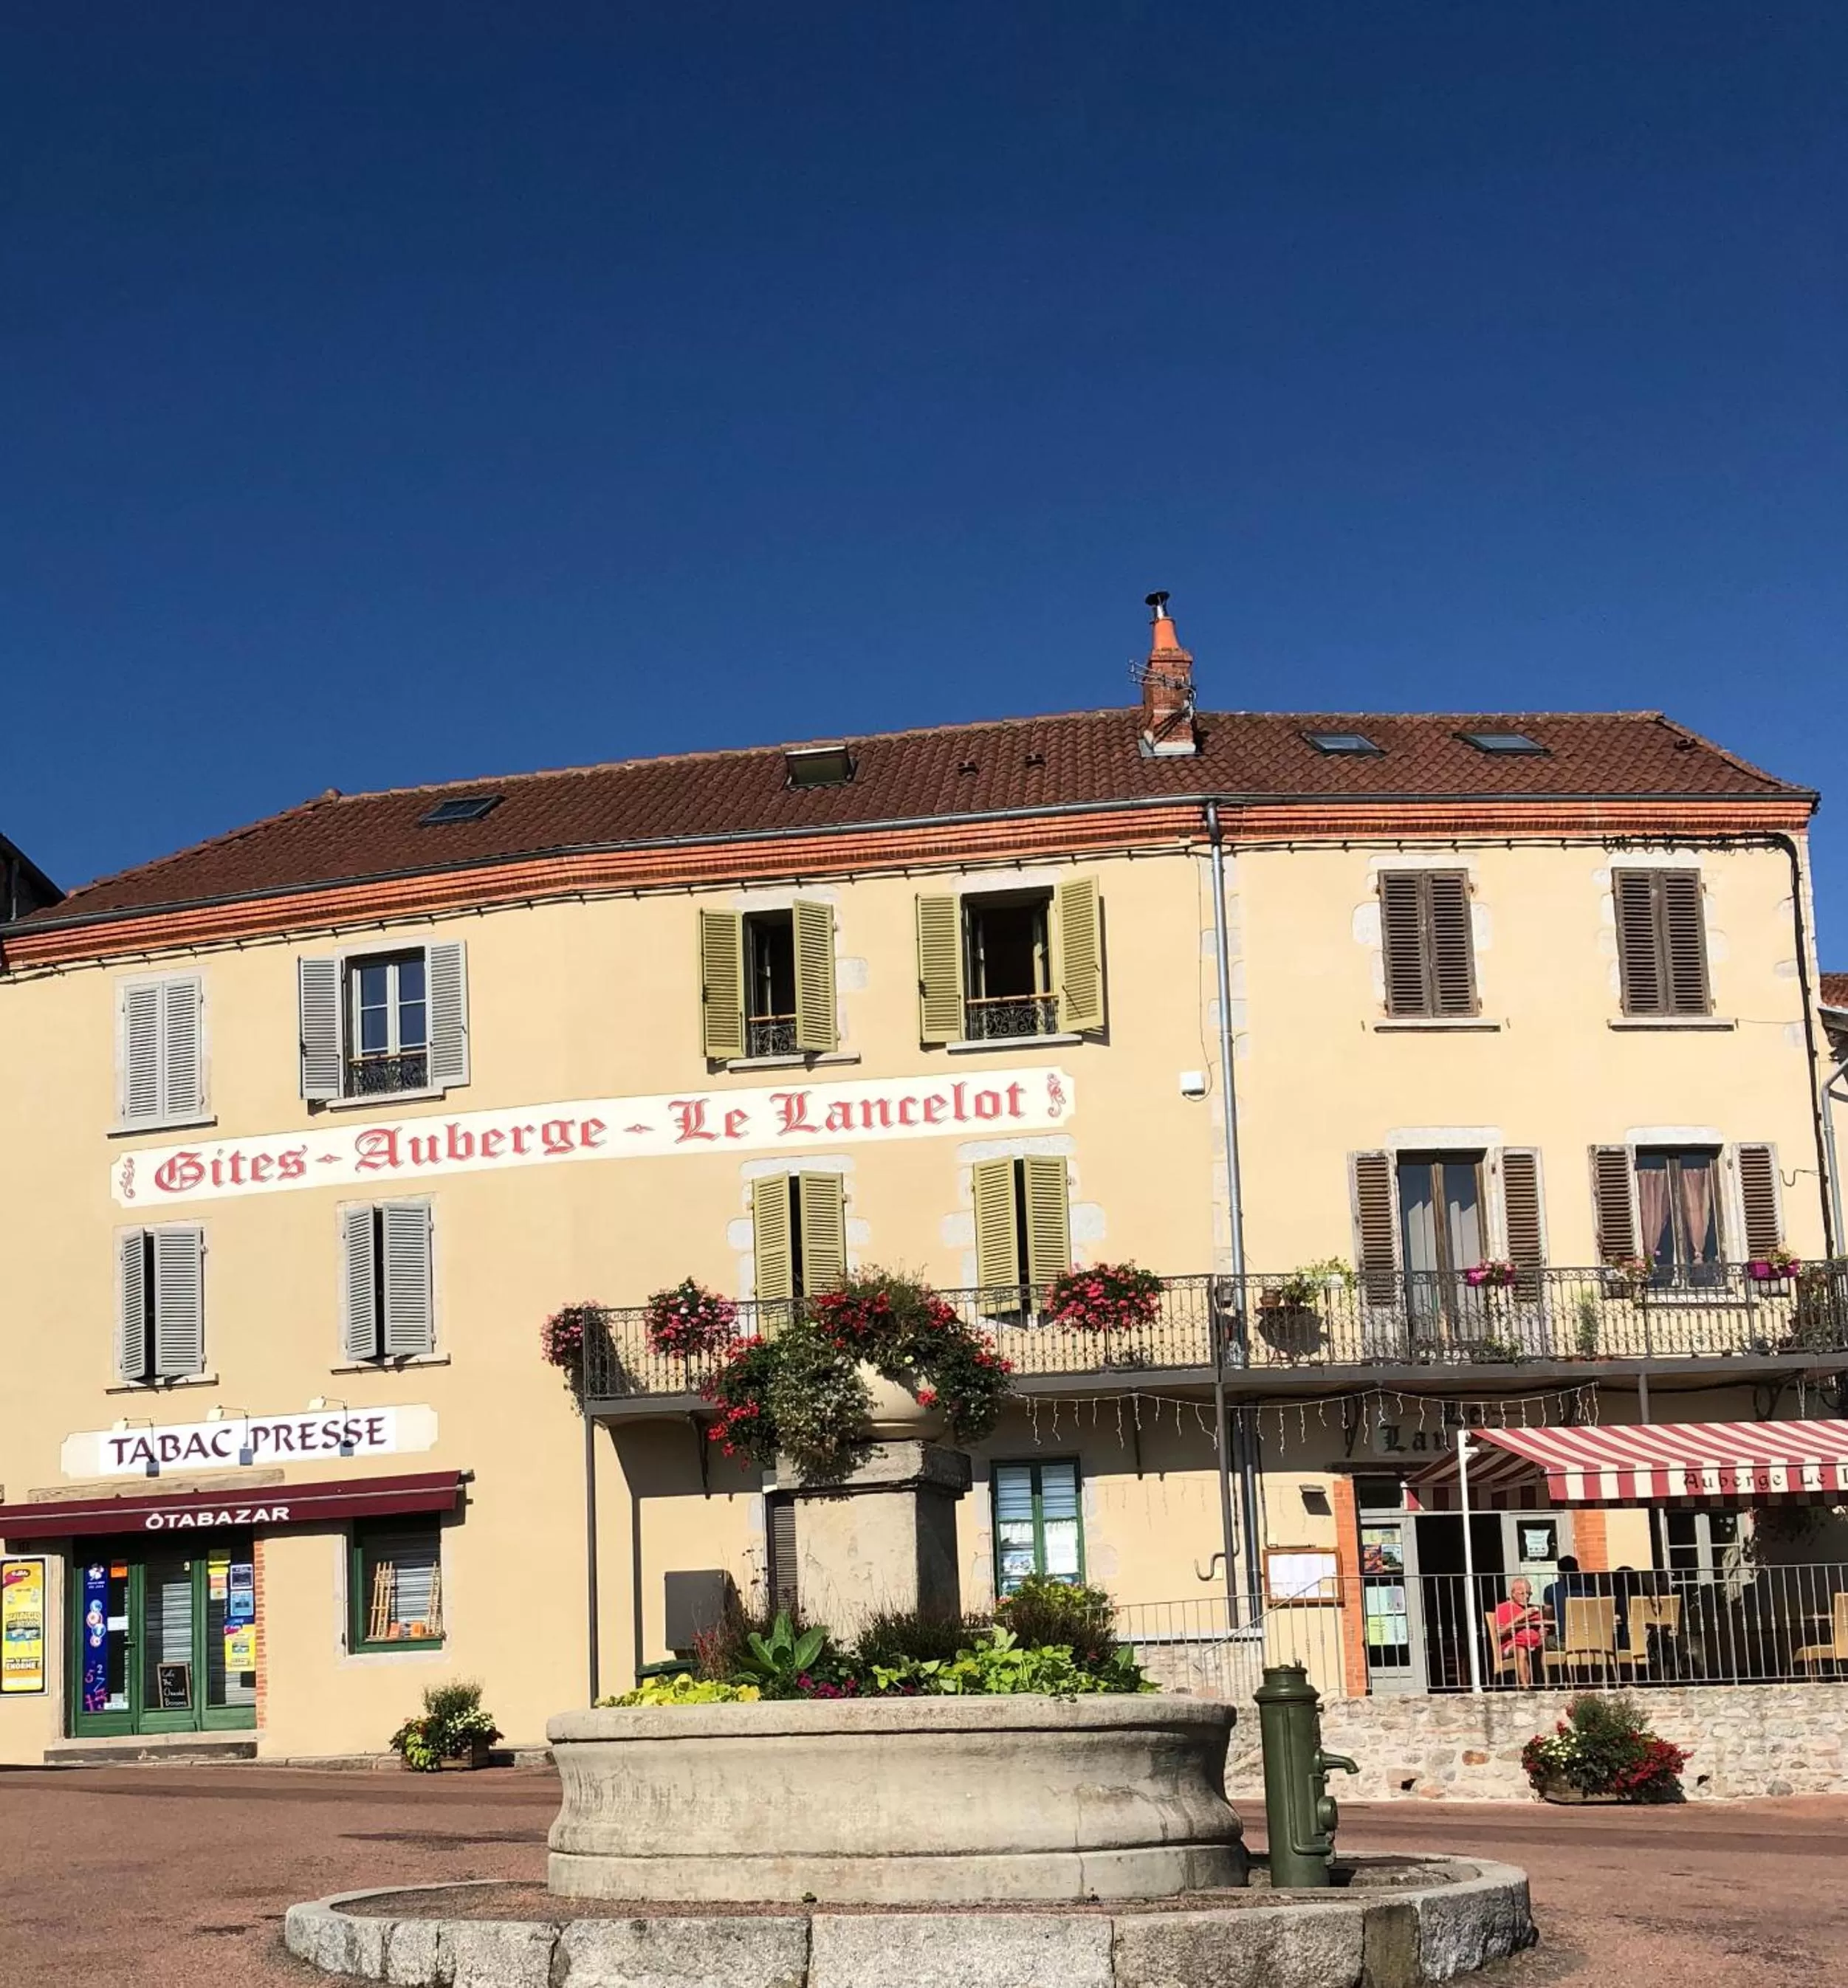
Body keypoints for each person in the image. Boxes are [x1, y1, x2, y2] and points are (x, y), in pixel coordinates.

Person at [1490, 1576, 1546, 1686]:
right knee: (1521, 1648)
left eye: (1529, 1594)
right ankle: (1525, 1685)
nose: (1527, 1597)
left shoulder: (1532, 1609)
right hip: (1510, 1645)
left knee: (1540, 1646)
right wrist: (1521, 1617)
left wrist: (1543, 1631)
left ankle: (1542, 1682)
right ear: (1513, 1593)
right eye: (1522, 1593)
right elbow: (1500, 1633)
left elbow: (1541, 1627)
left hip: (1533, 1643)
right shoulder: (1503, 1608)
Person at [1543, 1555, 1593, 1644]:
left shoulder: (1551, 1590)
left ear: (1560, 1571)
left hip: (1564, 1639)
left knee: (1545, 1641)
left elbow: (1548, 1615)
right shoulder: (1589, 1591)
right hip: (1589, 1637)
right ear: (1577, 1569)